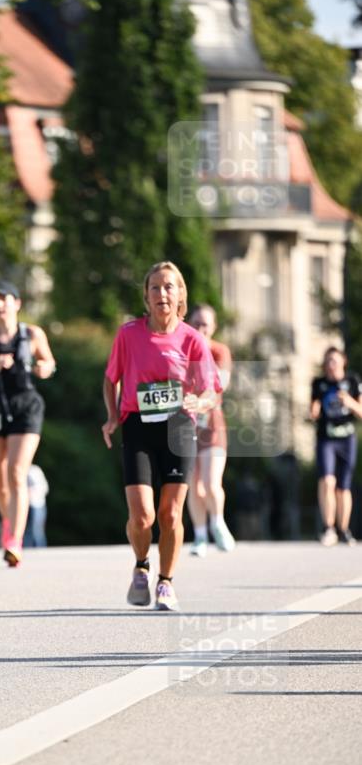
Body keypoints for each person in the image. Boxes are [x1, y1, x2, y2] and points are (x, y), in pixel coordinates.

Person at [102, 261, 221, 611]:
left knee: (170, 514)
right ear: (146, 295)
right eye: (155, 288)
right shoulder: (129, 334)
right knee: (143, 517)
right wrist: (111, 416)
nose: (162, 294)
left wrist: (199, 400)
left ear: (180, 294)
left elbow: (212, 391)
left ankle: (165, 582)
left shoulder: (192, 339)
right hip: (138, 426)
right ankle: (141, 565)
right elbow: (111, 379)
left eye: (169, 287)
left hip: (179, 428)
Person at [0, 279, 56, 567]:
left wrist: (43, 368)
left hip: (25, 406)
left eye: (4, 299)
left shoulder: (33, 334)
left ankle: (14, 540)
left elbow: (49, 363)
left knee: (17, 471)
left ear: (17, 304)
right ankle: (9, 522)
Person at [185, 304, 235, 556]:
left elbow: (219, 385)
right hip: (185, 425)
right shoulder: (180, 349)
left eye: (206, 324)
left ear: (213, 327)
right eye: (196, 324)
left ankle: (218, 523)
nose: (201, 329)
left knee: (211, 482)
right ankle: (200, 535)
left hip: (212, 425)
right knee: (194, 486)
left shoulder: (219, 351)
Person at [310, 346, 361, 546]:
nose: (331, 366)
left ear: (343, 362)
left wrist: (349, 402)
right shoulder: (319, 383)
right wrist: (313, 411)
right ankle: (328, 527)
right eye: (328, 361)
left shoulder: (353, 382)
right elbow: (313, 407)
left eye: (335, 361)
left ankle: (344, 528)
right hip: (326, 438)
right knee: (327, 481)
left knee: (343, 487)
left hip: (347, 439)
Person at [25, 463, 49, 547]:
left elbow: (44, 487)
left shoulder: (34, 470)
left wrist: (32, 492)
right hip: (26, 506)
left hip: (37, 504)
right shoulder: (20, 470)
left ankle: (40, 548)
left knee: (37, 530)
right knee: (28, 530)